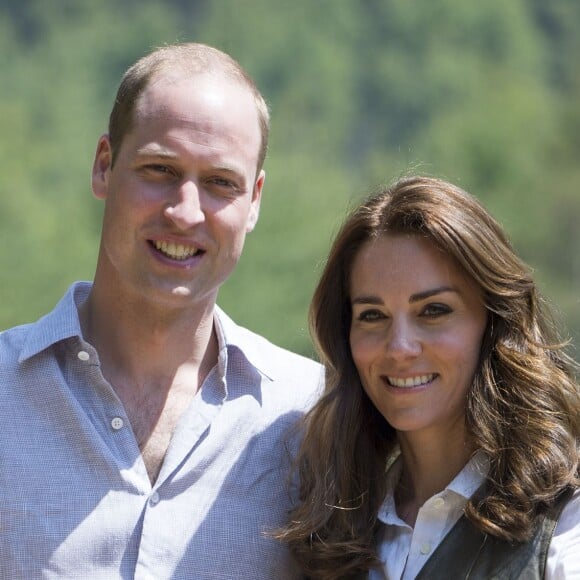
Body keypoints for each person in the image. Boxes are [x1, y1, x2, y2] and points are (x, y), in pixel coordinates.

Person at [0, 42, 322, 578]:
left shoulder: (313, 419)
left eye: (221, 183)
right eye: (160, 170)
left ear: (255, 201)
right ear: (104, 166)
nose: (185, 211)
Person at [276, 176, 580, 578]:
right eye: (372, 315)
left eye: (434, 310)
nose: (400, 347)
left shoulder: (566, 523)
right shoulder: (328, 536)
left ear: (494, 324)